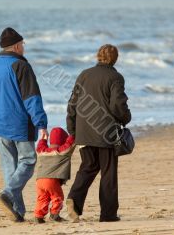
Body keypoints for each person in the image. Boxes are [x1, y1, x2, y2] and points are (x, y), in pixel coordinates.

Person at [0, 27, 48, 222]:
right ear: (16, 46)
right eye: (22, 44)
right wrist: (41, 124)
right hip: (20, 124)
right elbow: (32, 98)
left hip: (0, 125)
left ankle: (17, 211)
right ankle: (8, 194)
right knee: (28, 161)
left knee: (10, 166)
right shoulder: (21, 66)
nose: (23, 48)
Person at [66, 44, 131, 222]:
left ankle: (74, 200)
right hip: (106, 133)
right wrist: (126, 118)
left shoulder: (84, 74)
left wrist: (72, 130)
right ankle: (108, 214)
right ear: (115, 59)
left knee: (88, 167)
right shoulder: (115, 77)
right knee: (108, 173)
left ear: (98, 56)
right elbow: (117, 105)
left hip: (84, 132)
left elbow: (72, 104)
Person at [33, 127, 75, 223]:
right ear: (63, 140)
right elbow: (70, 143)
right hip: (51, 180)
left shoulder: (42, 151)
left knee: (42, 198)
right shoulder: (62, 151)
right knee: (58, 197)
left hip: (39, 180)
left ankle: (38, 216)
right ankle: (54, 215)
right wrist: (74, 132)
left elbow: (40, 145)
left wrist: (44, 137)